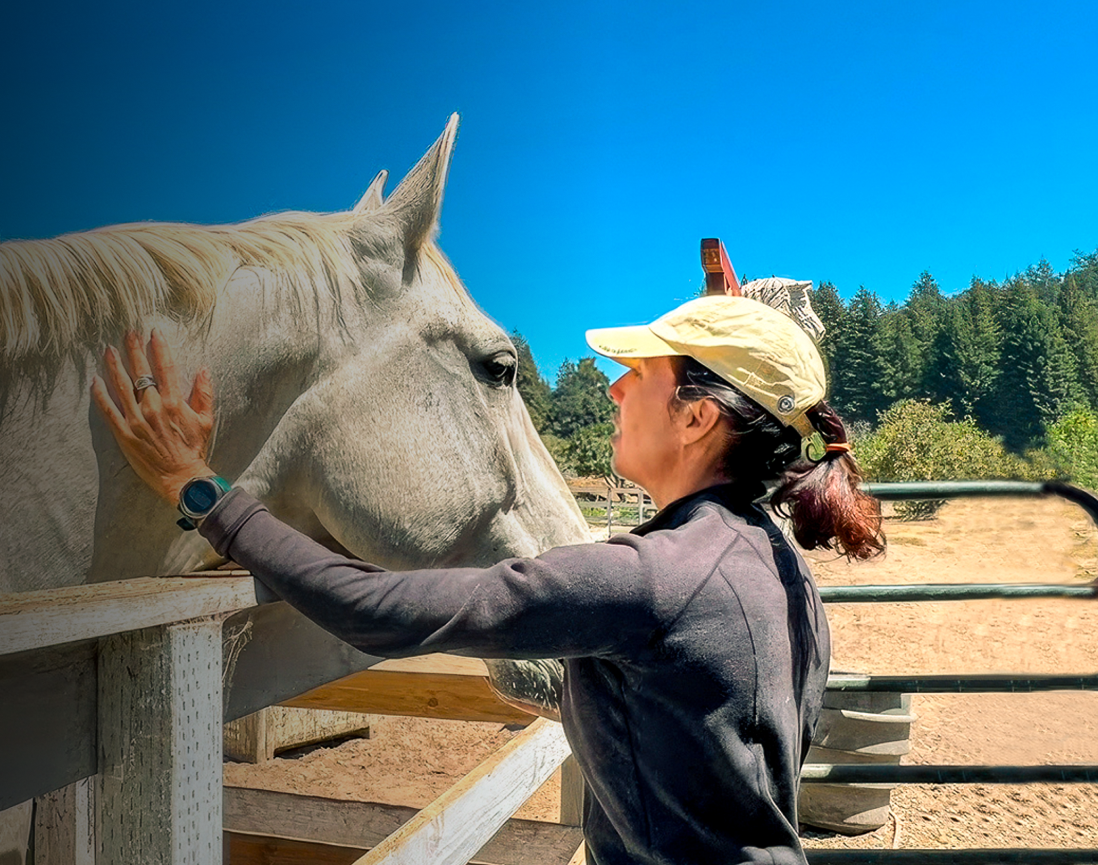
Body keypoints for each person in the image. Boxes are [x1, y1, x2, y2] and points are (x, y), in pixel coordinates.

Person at [90, 295, 885, 865]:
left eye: (639, 371)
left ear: (696, 416)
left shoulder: (651, 579)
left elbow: (377, 609)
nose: (613, 386)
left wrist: (205, 493)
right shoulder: (779, 565)